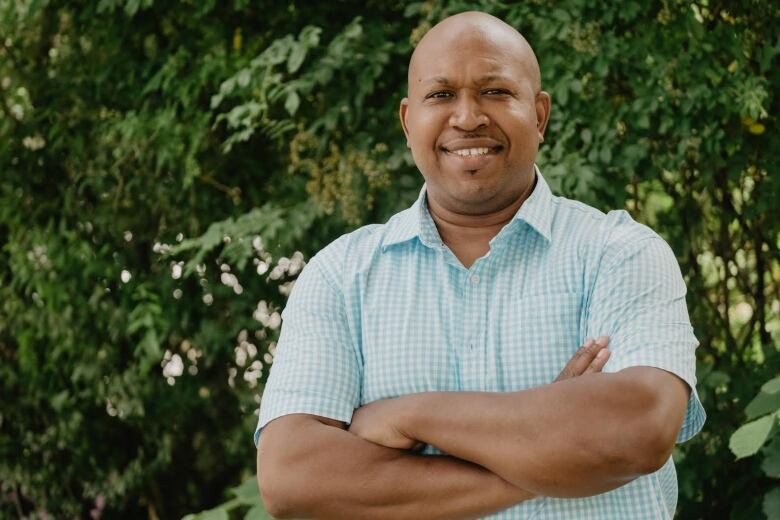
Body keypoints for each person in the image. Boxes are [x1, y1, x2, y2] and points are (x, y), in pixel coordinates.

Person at [254, 11, 705, 520]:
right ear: (408, 121)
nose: (468, 117)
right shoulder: (340, 276)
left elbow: (637, 431)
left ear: (539, 115)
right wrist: (554, 449)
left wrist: (410, 415)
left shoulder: (620, 253)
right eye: (441, 95)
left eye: (495, 91)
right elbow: (293, 479)